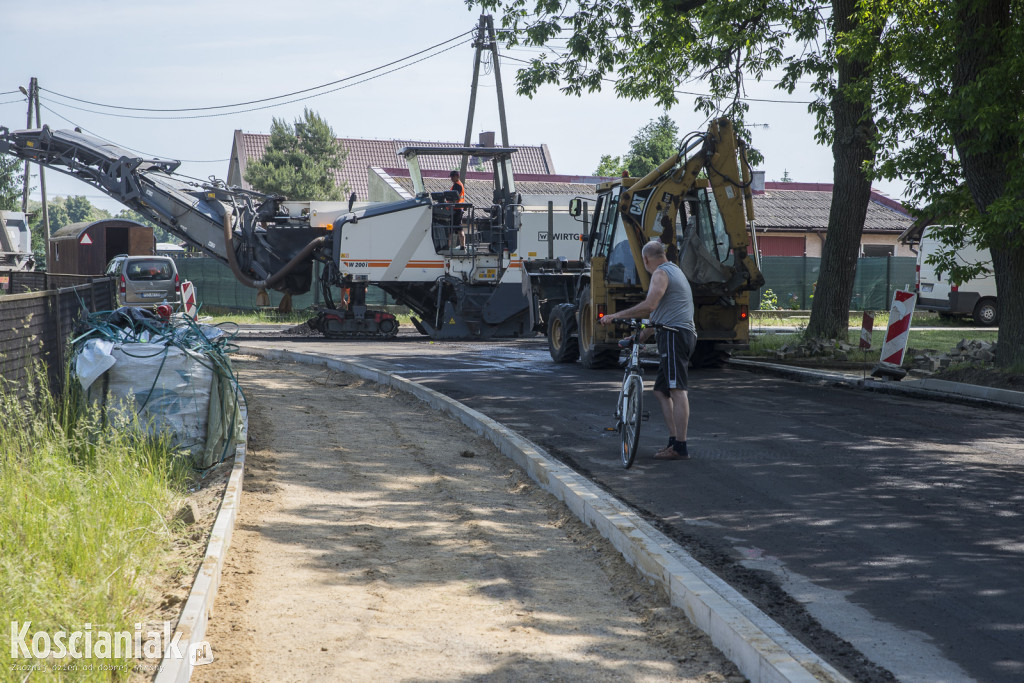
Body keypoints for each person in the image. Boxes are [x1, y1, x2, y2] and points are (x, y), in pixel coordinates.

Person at [600, 240, 697, 460]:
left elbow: (649, 306)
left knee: (677, 390)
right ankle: (673, 442)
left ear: (645, 259)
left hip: (674, 335)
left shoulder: (660, 274)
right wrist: (638, 337)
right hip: (673, 334)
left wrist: (615, 316)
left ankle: (681, 447)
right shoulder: (674, 270)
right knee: (661, 391)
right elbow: (657, 316)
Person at [448, 170, 467, 252]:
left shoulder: (457, 186)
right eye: (451, 177)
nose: (451, 178)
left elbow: (455, 197)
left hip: (457, 209)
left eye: (453, 177)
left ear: (457, 176)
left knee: (457, 228)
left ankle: (462, 246)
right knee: (454, 228)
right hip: (456, 209)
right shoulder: (456, 185)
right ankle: (450, 246)